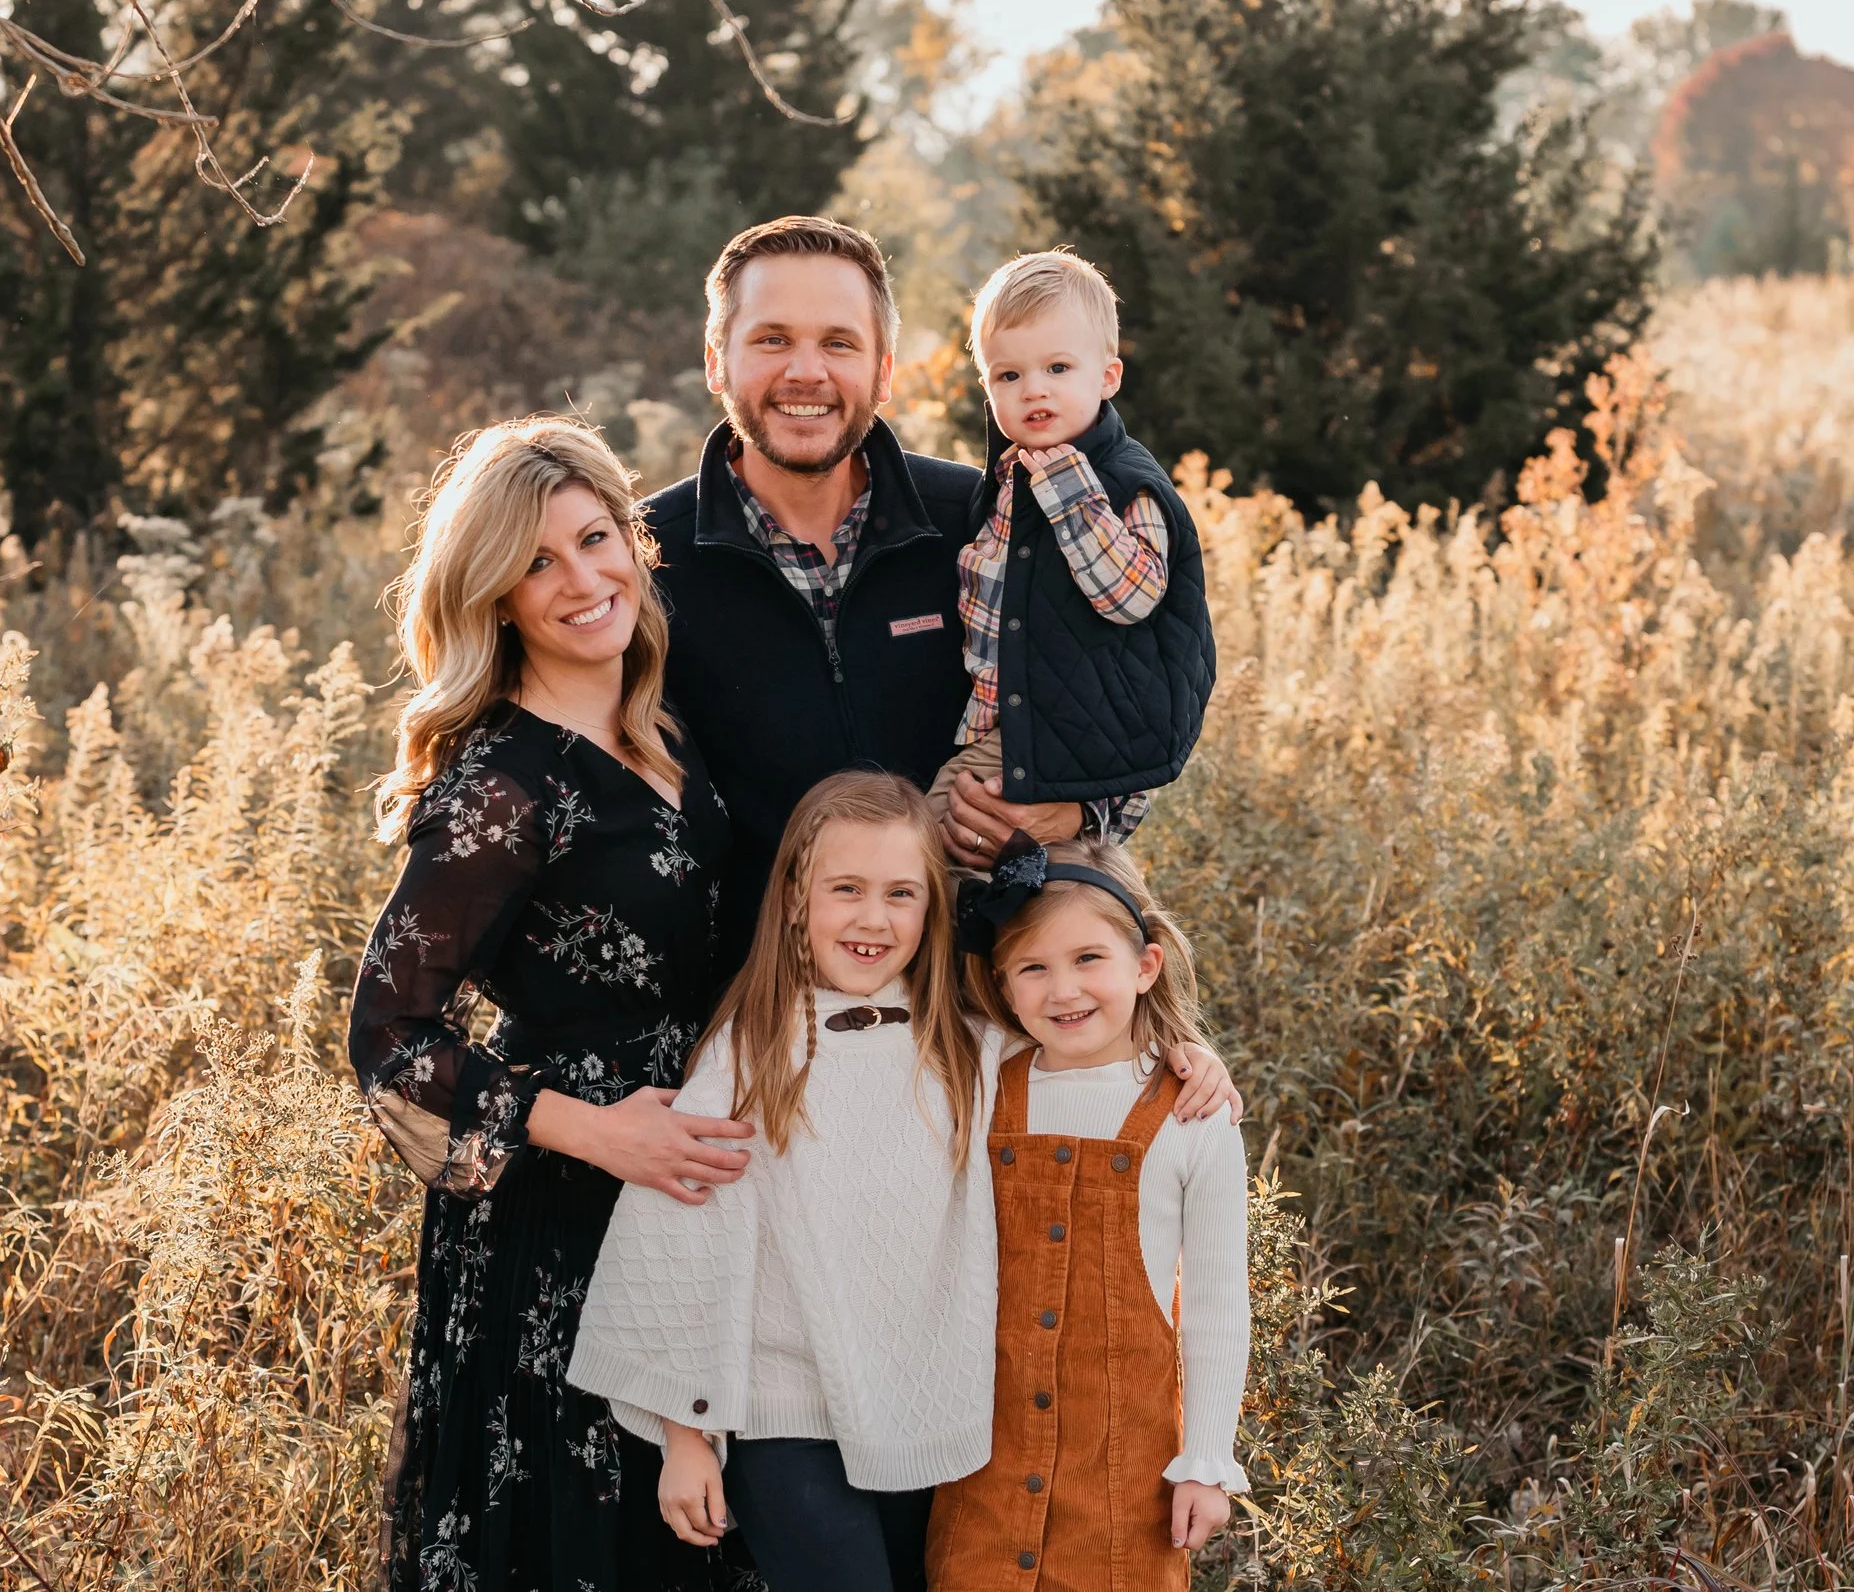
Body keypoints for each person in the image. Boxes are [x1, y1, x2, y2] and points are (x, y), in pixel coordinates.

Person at [566, 775, 1241, 1592]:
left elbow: (1089, 1060)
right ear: (792, 899)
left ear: (932, 913)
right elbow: (680, 1235)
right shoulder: (749, 1055)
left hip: (930, 1414)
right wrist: (685, 1435)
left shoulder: (969, 1048)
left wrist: (1186, 1054)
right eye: (846, 889)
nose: (873, 917)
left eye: (901, 894)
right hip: (784, 1410)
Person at [346, 417, 753, 1591]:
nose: (584, 579)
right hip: (562, 1205)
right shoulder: (501, 780)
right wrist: (595, 1130)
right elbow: (385, 1034)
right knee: (584, 1532)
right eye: (539, 562)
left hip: (689, 1168)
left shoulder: (660, 727)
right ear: (497, 598)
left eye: (596, 537)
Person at [644, 218, 1155, 984]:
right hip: (759, 1021)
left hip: (980, 1004)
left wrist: (1078, 811)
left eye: (840, 344)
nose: (806, 372)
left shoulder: (984, 516)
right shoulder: (644, 558)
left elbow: (1124, 687)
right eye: (773, 339)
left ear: (885, 372)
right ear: (717, 362)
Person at [927, 839, 1251, 1590]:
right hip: (984, 1478)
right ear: (1004, 988)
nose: (1063, 989)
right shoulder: (980, 1084)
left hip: (1122, 1487)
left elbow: (1215, 1304)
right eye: (1033, 967)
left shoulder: (1194, 1117)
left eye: (1088, 959)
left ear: (1145, 965)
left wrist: (1206, 1460)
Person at [925, 250, 1216, 828]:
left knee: (928, 841)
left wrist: (1067, 488)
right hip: (1008, 724)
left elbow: (1131, 597)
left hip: (1063, 738)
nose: (1034, 390)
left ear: (1107, 377)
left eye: (1057, 368)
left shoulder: (1123, 484)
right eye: (1010, 375)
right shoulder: (1011, 479)